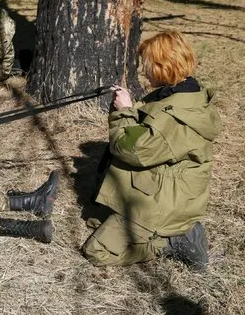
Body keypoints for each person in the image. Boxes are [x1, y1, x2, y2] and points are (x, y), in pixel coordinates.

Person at [82, 31, 221, 270]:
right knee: (95, 220)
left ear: (163, 66)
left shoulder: (177, 117)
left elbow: (133, 150)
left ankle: (172, 241)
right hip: (160, 188)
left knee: (98, 252)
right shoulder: (182, 93)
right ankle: (155, 230)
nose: (144, 72)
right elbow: (148, 127)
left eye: (147, 65)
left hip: (165, 201)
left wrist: (123, 112)